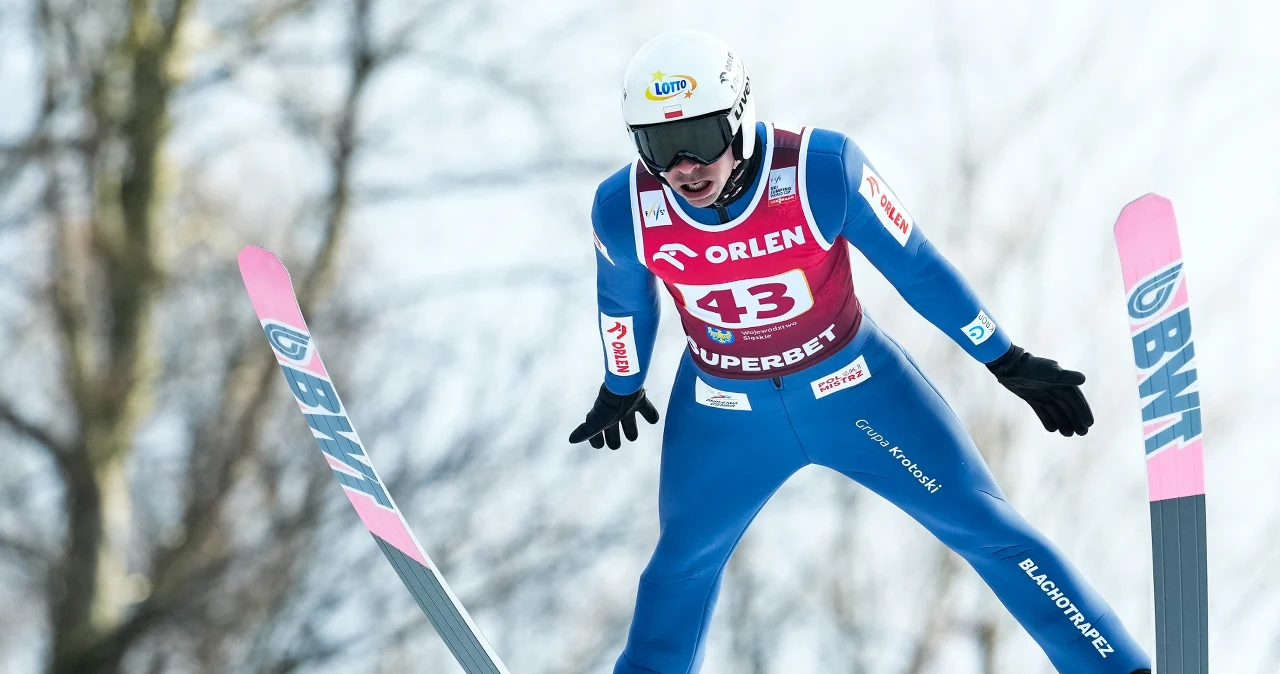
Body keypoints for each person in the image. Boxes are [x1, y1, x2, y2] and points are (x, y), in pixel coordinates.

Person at [569, 29, 1152, 674]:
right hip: (726, 415)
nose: (683, 166)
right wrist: (621, 384)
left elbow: (917, 265)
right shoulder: (625, 208)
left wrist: (1004, 358)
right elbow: (623, 300)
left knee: (986, 527)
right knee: (681, 563)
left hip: (857, 391)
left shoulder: (819, 170)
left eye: (700, 139)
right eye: (659, 146)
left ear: (739, 118)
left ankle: (1115, 667)